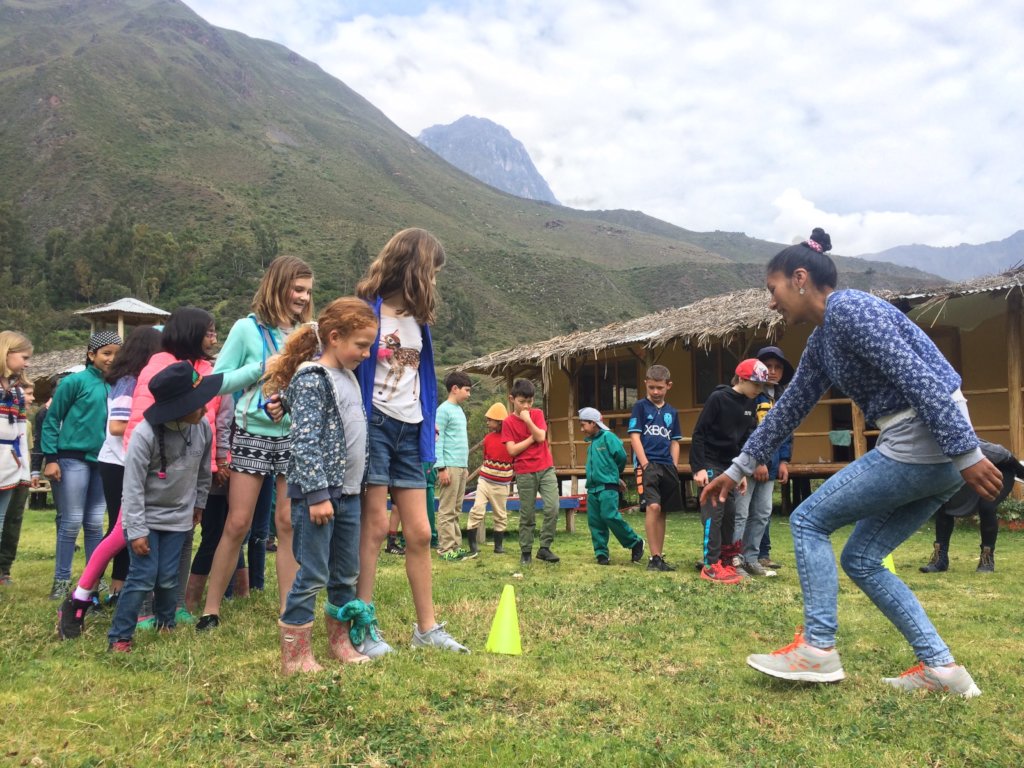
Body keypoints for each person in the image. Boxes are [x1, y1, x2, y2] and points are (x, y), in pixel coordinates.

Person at [702, 227, 1002, 698]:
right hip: (934, 448)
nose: (771, 303)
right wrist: (738, 468)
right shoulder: (824, 340)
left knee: (807, 521)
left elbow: (920, 378)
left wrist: (965, 451)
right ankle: (942, 669)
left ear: (800, 278)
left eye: (773, 289)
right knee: (861, 558)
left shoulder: (851, 310)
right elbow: (789, 409)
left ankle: (818, 649)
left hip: (925, 440)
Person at [353, 228, 469, 656]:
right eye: (432, 272)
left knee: (420, 532)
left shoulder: (419, 324)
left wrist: (426, 434)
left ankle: (427, 629)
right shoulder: (366, 313)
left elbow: (422, 379)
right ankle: (362, 623)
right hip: (375, 427)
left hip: (410, 428)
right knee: (376, 526)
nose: (435, 281)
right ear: (414, 269)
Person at [198, 255, 314, 631]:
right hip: (252, 435)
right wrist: (259, 370)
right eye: (297, 289)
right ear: (277, 286)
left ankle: (288, 612)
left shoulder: (306, 333)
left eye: (307, 291)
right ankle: (210, 610)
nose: (302, 297)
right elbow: (217, 381)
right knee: (238, 522)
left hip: (291, 435)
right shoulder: (246, 330)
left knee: (286, 524)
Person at [264, 297, 378, 674]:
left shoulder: (347, 376)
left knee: (346, 573)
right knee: (313, 572)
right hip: (319, 497)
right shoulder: (313, 378)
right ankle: (295, 656)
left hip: (348, 496)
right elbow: (305, 441)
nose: (366, 353)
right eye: (361, 345)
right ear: (334, 337)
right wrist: (315, 495)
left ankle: (340, 642)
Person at [107, 362, 219, 652]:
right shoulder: (145, 435)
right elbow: (130, 486)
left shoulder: (202, 428)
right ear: (179, 407)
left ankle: (166, 623)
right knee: (142, 577)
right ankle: (120, 636)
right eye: (197, 404)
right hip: (145, 520)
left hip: (179, 519)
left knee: (169, 578)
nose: (205, 409)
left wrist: (200, 502)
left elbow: (204, 470)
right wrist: (137, 529)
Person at [41, 331, 122, 601]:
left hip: (103, 461)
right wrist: (50, 458)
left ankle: (92, 581)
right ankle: (61, 581)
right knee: (71, 520)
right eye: (106, 353)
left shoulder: (117, 385)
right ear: (92, 355)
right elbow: (52, 419)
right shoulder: (74, 382)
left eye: (116, 354)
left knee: (95, 522)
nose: (112, 358)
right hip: (71, 458)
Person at [692, 359, 763, 584]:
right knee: (715, 513)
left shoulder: (750, 404)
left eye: (761, 385)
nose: (758, 389)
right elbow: (699, 434)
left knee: (731, 514)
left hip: (731, 467)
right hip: (711, 463)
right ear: (741, 378)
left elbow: (745, 440)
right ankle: (710, 565)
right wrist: (699, 468)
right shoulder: (718, 398)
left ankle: (724, 560)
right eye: (755, 384)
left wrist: (741, 473)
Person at [731, 345, 794, 577]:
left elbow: (786, 432)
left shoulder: (782, 398)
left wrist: (785, 460)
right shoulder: (749, 395)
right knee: (741, 513)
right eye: (768, 366)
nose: (773, 371)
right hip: (749, 465)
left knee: (763, 513)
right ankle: (733, 558)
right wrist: (756, 461)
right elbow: (748, 431)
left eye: (777, 367)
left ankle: (751, 558)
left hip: (773, 464)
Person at [919, 440, 1023, 575]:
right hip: (969, 472)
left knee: (987, 506)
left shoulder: (962, 443)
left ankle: (987, 559)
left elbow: (1003, 455)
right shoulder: (927, 455)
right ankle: (940, 560)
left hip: (1000, 469)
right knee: (944, 504)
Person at [628, 364, 684, 572]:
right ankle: (653, 558)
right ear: (645, 385)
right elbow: (634, 436)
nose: (655, 392)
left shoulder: (672, 412)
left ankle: (659, 556)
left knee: (663, 511)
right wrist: (645, 464)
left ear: (668, 386)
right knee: (653, 507)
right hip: (648, 465)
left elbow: (675, 441)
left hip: (667, 465)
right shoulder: (640, 407)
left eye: (660, 387)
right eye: (651, 387)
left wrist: (674, 466)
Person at [502, 378, 560, 565]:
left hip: (545, 467)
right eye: (522, 402)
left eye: (529, 401)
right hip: (524, 471)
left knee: (553, 507)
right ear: (512, 399)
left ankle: (544, 548)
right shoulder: (508, 422)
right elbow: (511, 450)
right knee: (527, 514)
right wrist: (531, 439)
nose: (526, 406)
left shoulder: (537, 414)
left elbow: (541, 436)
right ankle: (526, 551)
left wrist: (528, 421)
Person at [579, 407, 644, 566]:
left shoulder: (608, 437)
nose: (581, 429)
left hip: (607, 486)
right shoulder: (591, 443)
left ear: (593, 423)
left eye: (583, 425)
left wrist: (615, 475)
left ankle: (635, 542)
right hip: (592, 489)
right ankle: (601, 554)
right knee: (595, 521)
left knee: (610, 516)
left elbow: (621, 456)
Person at [465, 402, 514, 555]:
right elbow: (486, 456)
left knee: (500, 514)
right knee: (477, 510)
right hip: (485, 481)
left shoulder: (511, 440)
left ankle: (498, 547)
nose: (487, 422)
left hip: (502, 483)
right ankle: (473, 545)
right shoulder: (488, 438)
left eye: (490, 420)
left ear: (498, 421)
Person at [435, 371, 473, 561]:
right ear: (455, 389)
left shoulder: (459, 409)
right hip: (449, 467)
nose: (469, 394)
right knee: (447, 509)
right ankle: (445, 549)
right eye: (466, 390)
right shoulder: (443, 410)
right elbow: (437, 441)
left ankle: (455, 546)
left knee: (456, 509)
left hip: (461, 466)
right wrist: (441, 468)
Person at [0, 378, 35, 584]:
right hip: (7, 468)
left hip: (20, 471)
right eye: (28, 393)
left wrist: (29, 474)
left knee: (13, 520)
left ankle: (4, 569)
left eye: (30, 394)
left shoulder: (25, 424)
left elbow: (26, 450)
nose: (30, 398)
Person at [0, 331, 32, 552]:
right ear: (7, 353)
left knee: (1, 519)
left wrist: (25, 471)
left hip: (9, 463)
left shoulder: (17, 393)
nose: (26, 364)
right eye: (24, 357)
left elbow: (20, 432)